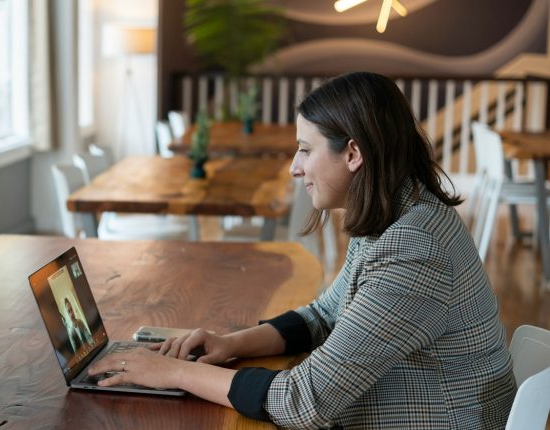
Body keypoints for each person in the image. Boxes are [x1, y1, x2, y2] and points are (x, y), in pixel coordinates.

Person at [88, 72, 516, 429]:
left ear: (353, 154)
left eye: (306, 150)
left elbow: (304, 401)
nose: (294, 167)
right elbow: (324, 315)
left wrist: (176, 373)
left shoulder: (416, 247)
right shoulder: (395, 212)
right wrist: (229, 343)